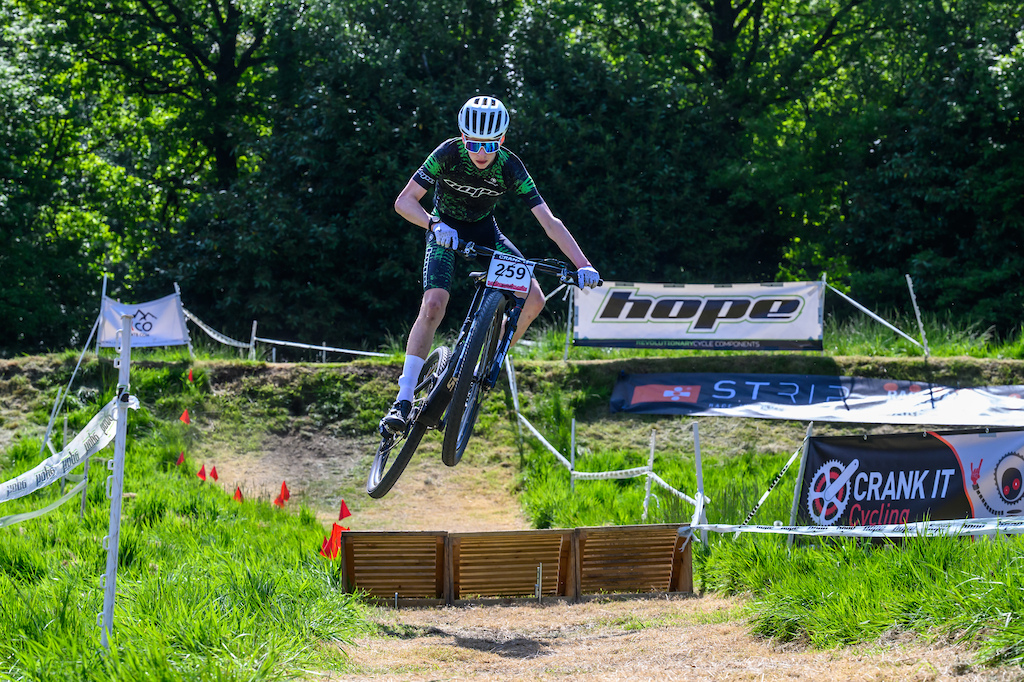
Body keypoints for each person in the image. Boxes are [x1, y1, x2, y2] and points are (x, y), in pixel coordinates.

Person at [380, 95, 600, 435]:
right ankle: (404, 398)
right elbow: (404, 202)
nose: (481, 153)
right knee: (434, 305)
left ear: (502, 140)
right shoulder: (448, 153)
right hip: (444, 231)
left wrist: (583, 263)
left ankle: (480, 368)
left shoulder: (510, 166)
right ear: (463, 137)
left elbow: (549, 222)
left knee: (535, 299)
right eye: (474, 143)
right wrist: (434, 225)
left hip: (486, 234)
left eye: (489, 145)